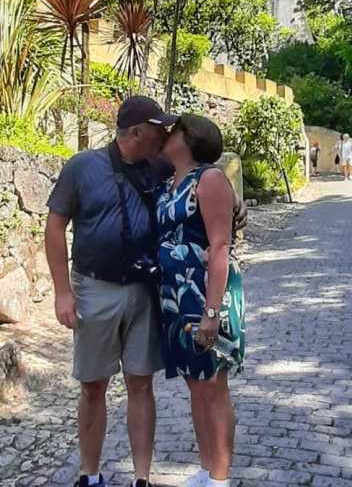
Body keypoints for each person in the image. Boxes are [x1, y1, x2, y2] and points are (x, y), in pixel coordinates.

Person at [45, 96, 178, 487]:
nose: (165, 135)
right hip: (94, 289)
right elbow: (55, 228)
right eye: (158, 128)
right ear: (137, 131)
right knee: (93, 386)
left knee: (140, 383)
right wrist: (61, 292)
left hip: (143, 291)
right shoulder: (83, 167)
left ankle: (142, 478)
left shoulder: (160, 166)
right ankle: (90, 475)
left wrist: (232, 203)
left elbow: (202, 175)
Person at [155, 114, 245, 487]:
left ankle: (220, 479)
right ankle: (207, 469)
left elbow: (220, 244)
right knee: (195, 384)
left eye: (172, 130)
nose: (165, 135)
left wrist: (212, 313)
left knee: (214, 386)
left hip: (206, 294)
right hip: (176, 298)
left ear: (188, 138)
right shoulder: (168, 182)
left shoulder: (207, 179)